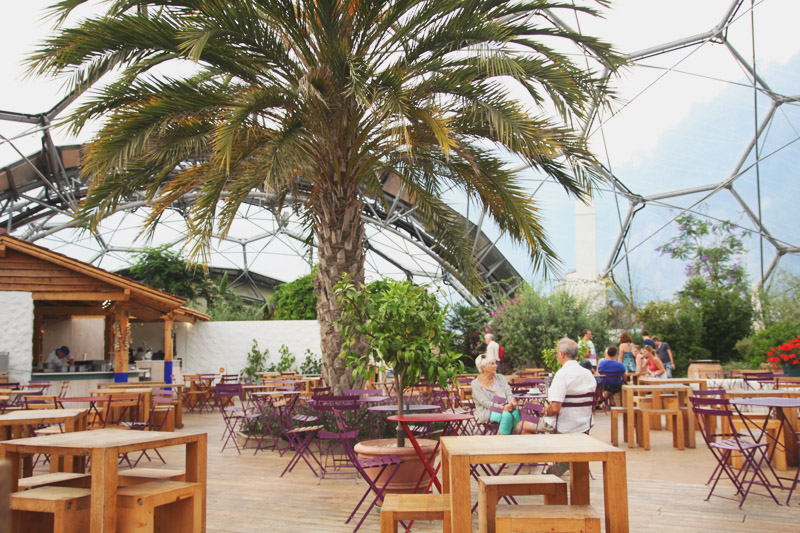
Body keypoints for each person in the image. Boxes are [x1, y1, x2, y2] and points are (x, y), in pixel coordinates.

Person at [542, 337, 597, 434]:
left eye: (556, 353)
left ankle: (546, 448)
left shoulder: (562, 375)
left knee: (522, 425)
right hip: (584, 426)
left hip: (562, 427)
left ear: (562, 354)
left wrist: (546, 411)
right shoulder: (588, 374)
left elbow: (554, 409)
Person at [471, 354, 535, 434]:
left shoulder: (500, 377)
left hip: (505, 407)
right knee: (506, 415)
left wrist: (511, 401)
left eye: (495, 363)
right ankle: (502, 441)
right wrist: (502, 407)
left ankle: (519, 434)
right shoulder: (476, 384)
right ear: (484, 367)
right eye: (492, 363)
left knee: (515, 411)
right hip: (487, 411)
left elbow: (508, 393)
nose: (496, 366)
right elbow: (485, 403)